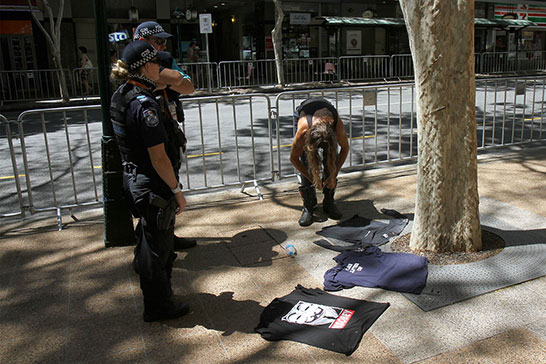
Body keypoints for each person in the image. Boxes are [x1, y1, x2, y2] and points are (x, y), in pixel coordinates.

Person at [110, 40, 190, 322]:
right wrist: (176, 191)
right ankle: (159, 307)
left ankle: (157, 299)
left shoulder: (123, 94)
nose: (161, 67)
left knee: (147, 242)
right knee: (159, 249)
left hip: (134, 180)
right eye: (157, 63)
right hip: (153, 184)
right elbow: (159, 158)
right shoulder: (145, 106)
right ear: (146, 67)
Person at [133, 21, 197, 251]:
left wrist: (161, 79)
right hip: (143, 133)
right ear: (142, 41)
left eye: (164, 41)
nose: (162, 46)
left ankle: (168, 237)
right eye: (157, 41)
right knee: (151, 191)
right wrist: (169, 80)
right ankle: (148, 246)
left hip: (167, 127)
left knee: (170, 182)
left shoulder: (166, 59)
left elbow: (188, 85)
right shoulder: (131, 60)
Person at [289, 97, 349, 227]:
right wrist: (312, 178)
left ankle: (329, 202)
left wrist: (333, 175)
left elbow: (345, 148)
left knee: (331, 161)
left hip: (326, 122)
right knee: (306, 161)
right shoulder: (303, 129)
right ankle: (308, 206)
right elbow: (293, 158)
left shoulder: (336, 125)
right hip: (306, 114)